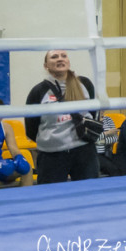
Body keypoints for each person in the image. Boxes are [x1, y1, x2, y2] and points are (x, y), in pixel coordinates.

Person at [24, 50, 101, 184]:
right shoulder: (38, 91)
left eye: (63, 56)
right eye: (54, 57)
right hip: (51, 155)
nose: (60, 59)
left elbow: (92, 114)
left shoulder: (85, 84)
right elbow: (31, 129)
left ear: (68, 62)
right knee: (51, 198)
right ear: (45, 65)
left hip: (84, 151)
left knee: (89, 195)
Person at [0, 113, 34, 186]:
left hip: (0, 164)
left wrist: (20, 158)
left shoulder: (6, 127)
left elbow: (13, 147)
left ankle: (26, 195)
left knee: (27, 169)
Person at [95, 112, 126, 177]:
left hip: (108, 152)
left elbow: (115, 138)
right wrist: (107, 133)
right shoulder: (90, 119)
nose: (102, 111)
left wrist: (101, 141)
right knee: (113, 168)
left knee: (123, 164)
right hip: (95, 154)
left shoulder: (108, 119)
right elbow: (91, 138)